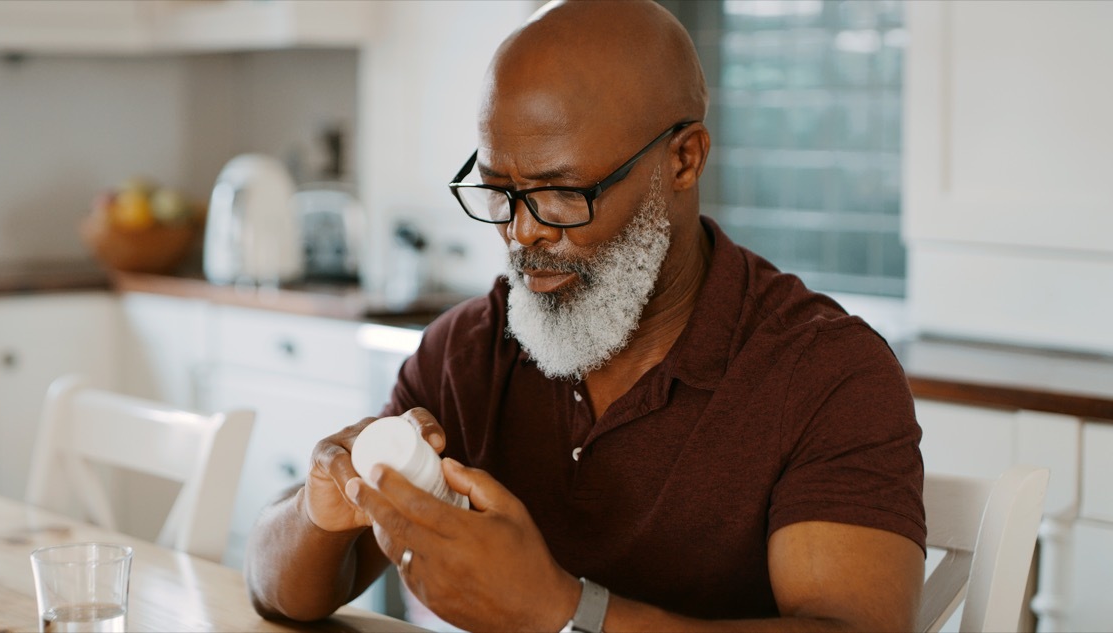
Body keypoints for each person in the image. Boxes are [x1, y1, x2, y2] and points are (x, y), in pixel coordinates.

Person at [244, 1, 926, 631]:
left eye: (562, 194)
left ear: (684, 160)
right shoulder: (468, 353)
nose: (522, 234)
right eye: (500, 193)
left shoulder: (825, 373)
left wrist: (565, 612)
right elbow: (275, 588)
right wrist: (316, 509)